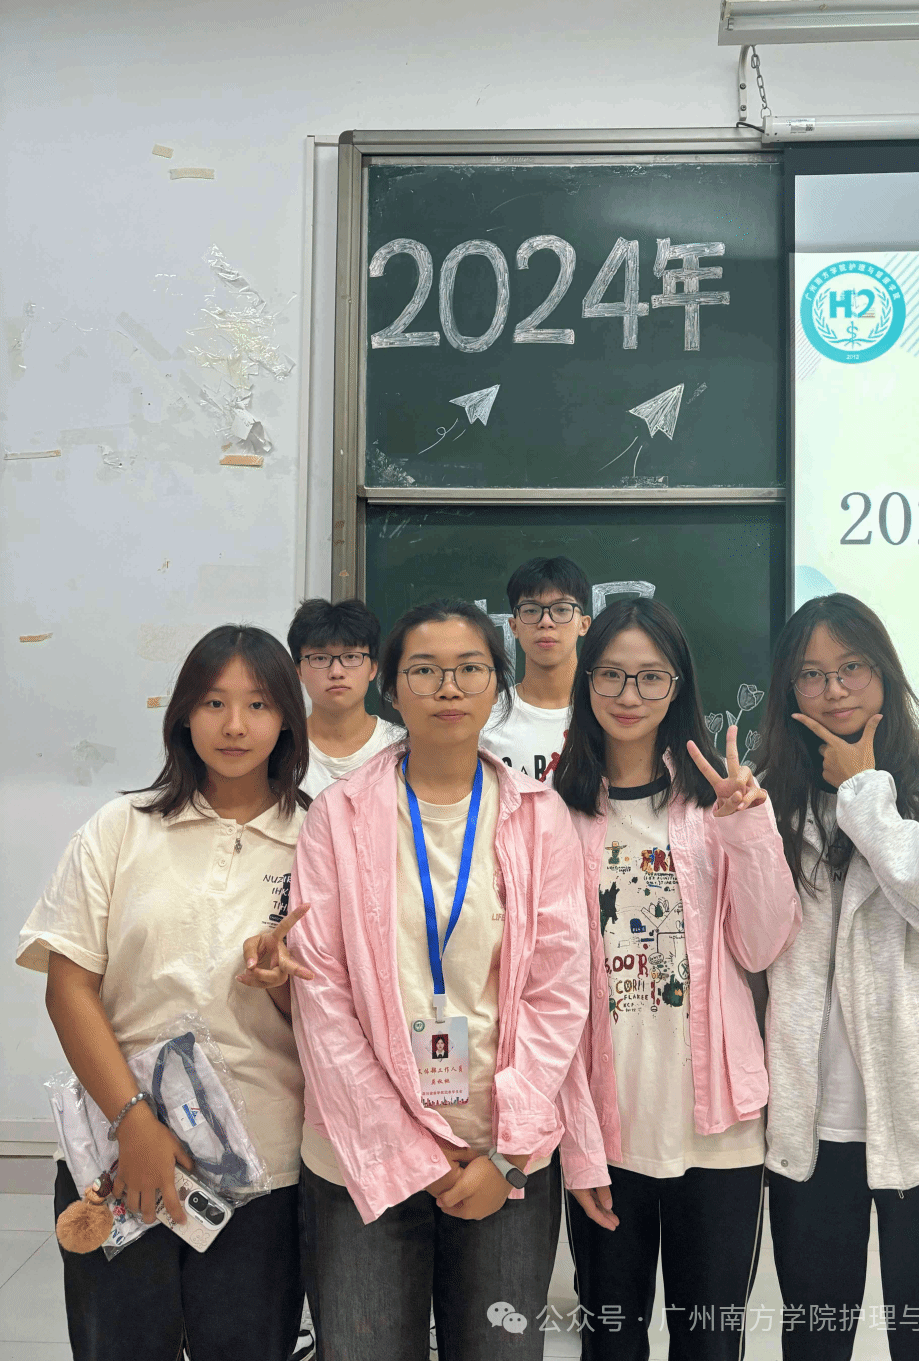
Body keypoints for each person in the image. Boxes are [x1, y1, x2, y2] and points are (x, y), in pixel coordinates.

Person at [285, 599, 595, 1361]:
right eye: (424, 670)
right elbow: (321, 999)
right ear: (392, 686)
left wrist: (506, 1154)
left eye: (470, 670)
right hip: (362, 1157)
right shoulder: (336, 817)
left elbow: (559, 993)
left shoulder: (541, 817)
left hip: (500, 1156)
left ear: (498, 685)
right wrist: (410, 1156)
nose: (448, 688)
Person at [16, 626, 312, 1361]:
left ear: (287, 719)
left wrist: (282, 987)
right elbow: (70, 985)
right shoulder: (121, 829)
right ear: (183, 713)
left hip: (263, 1169)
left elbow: (338, 1014)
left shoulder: (319, 841)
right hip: (118, 1155)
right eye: (213, 702)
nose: (235, 725)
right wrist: (133, 1122)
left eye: (258, 704)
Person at [754, 593, 919, 1361]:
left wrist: (865, 791)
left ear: (884, 673)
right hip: (812, 1121)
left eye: (851, 668)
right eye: (811, 674)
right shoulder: (767, 790)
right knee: (815, 1338)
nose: (833, 690)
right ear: (789, 687)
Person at [554, 598, 801, 1361]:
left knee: (709, 1342)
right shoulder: (554, 815)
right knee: (611, 1342)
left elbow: (762, 945)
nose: (629, 695)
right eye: (611, 675)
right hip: (606, 1129)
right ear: (586, 682)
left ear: (678, 686)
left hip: (717, 1131)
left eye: (650, 677)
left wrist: (748, 829)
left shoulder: (716, 806)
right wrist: (571, 1141)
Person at [480, 555, 591, 783]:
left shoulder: (608, 713)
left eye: (561, 609)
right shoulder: (486, 718)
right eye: (531, 610)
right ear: (514, 626)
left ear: (583, 624)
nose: (546, 621)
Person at [287, 597, 403, 797]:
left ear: (373, 668)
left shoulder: (401, 748)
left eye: (351, 657)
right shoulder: (279, 750)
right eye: (320, 658)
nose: (336, 672)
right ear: (299, 671)